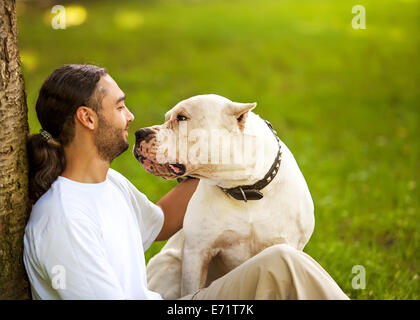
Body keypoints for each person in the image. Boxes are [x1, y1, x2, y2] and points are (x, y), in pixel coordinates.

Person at [23, 64, 349, 300]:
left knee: (271, 262)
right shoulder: (64, 220)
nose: (132, 116)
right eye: (120, 106)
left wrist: (214, 160)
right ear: (88, 118)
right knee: (283, 264)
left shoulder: (110, 185)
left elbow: (161, 223)